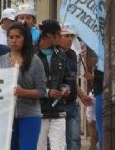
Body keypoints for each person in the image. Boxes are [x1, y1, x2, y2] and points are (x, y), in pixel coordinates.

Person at [0, 23, 46, 150]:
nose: (14, 40)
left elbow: (41, 91)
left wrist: (22, 92)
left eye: (18, 37)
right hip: (7, 116)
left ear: (25, 39)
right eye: (11, 37)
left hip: (29, 115)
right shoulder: (0, 61)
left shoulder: (35, 61)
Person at [36, 20, 73, 150]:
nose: (61, 37)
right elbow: (26, 83)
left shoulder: (61, 54)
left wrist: (66, 87)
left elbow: (67, 78)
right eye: (59, 34)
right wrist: (47, 92)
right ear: (49, 35)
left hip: (58, 110)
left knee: (60, 147)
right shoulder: (32, 54)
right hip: (37, 111)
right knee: (39, 147)